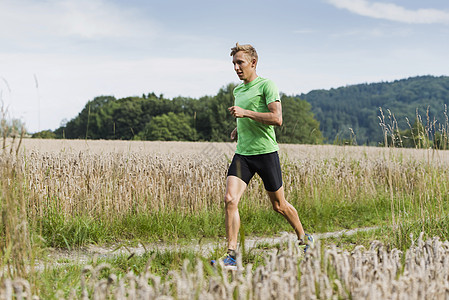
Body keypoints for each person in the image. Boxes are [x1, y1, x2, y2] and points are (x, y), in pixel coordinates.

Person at [218, 43, 314, 270]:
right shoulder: (237, 91)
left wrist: (245, 114)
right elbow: (245, 118)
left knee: (279, 206)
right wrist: (238, 127)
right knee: (230, 200)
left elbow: (276, 118)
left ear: (253, 63)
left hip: (266, 154)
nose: (236, 68)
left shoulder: (267, 85)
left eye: (240, 62)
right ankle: (232, 256)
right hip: (243, 155)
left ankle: (304, 238)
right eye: (233, 63)